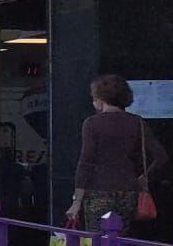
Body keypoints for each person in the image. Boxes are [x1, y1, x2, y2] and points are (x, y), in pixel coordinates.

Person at [66, 74, 167, 234]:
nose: (93, 102)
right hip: (128, 190)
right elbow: (161, 156)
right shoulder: (137, 122)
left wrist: (76, 200)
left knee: (97, 241)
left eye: (94, 97)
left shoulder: (92, 124)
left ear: (100, 99)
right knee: (120, 239)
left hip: (98, 191)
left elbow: (86, 162)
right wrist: (143, 178)